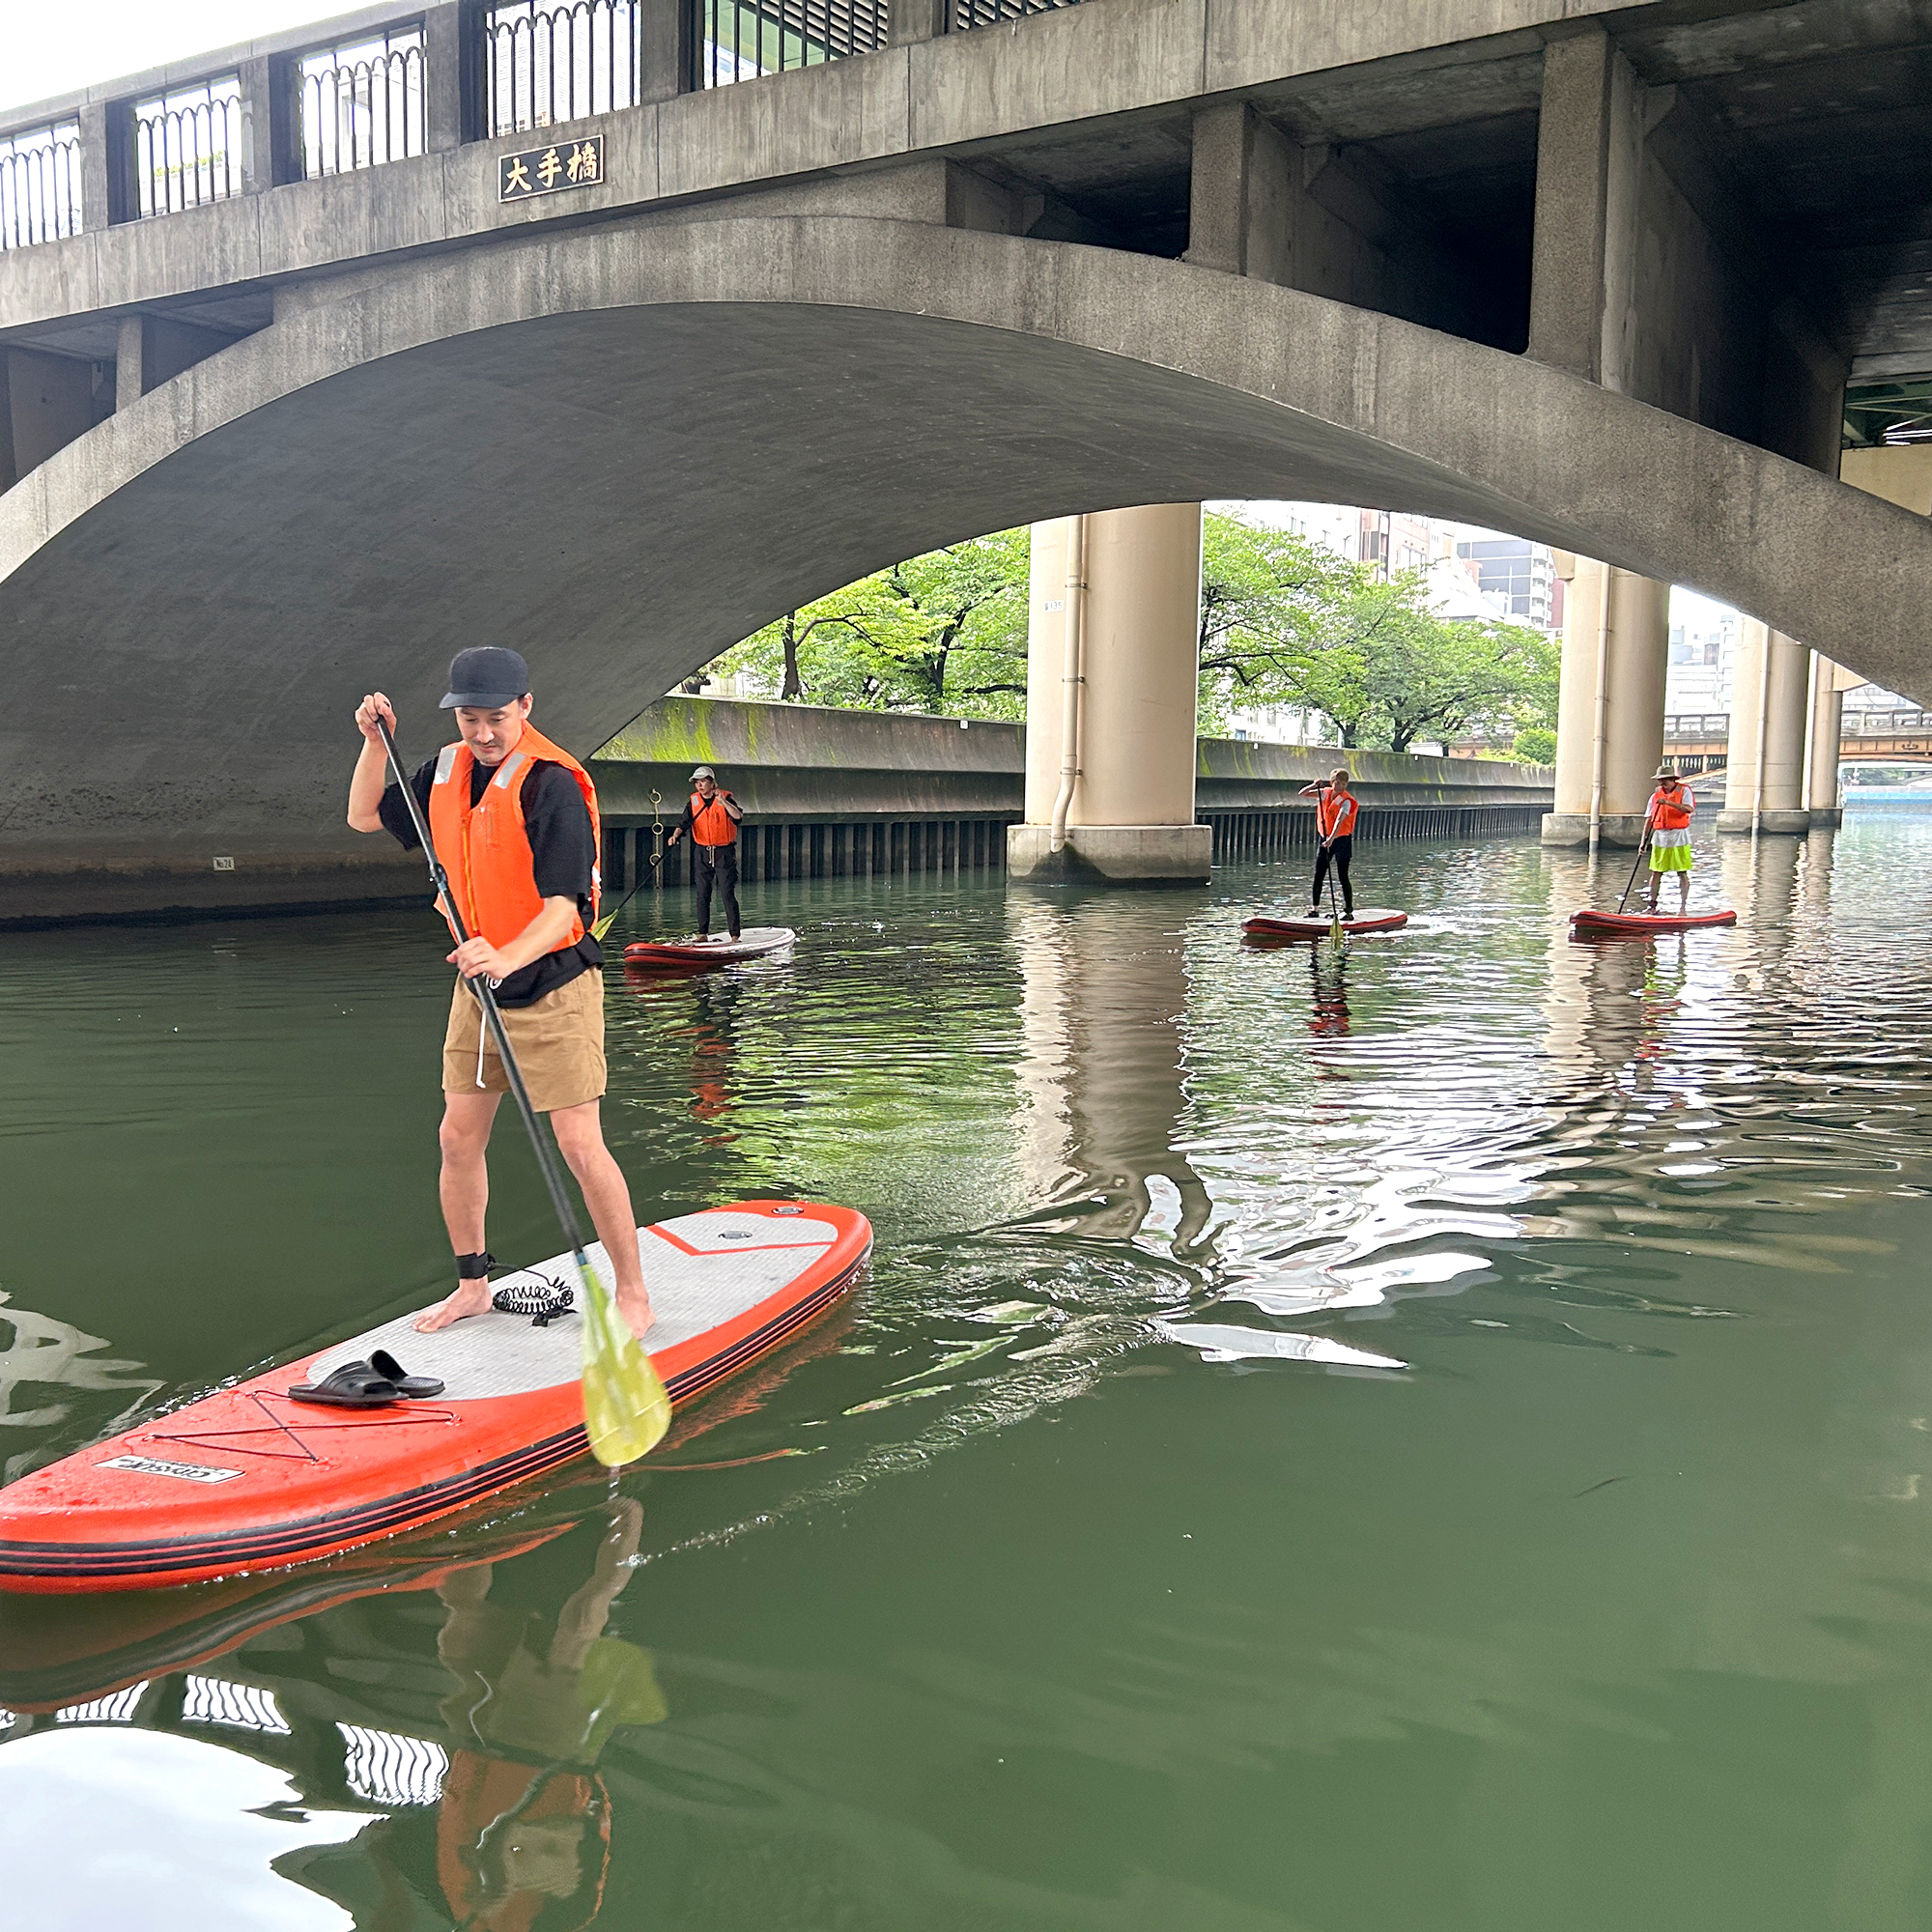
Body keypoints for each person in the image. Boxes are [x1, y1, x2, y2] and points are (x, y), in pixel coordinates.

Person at [346, 647, 654, 1341]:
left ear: (526, 707)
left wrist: (506, 955)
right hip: (479, 987)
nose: (483, 734)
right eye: (470, 719)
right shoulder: (445, 771)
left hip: (555, 981)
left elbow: (563, 911)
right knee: (457, 1138)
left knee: (579, 1144)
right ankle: (472, 1287)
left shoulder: (553, 786)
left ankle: (632, 1294)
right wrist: (373, 744)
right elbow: (365, 815)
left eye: (496, 718)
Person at [665, 763, 745, 942]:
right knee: (702, 893)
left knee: (726, 893)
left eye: (702, 782)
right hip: (702, 853)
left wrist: (722, 802)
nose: (699, 786)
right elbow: (683, 823)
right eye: (697, 783)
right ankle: (702, 933)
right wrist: (674, 836)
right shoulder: (693, 802)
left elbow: (738, 817)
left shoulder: (726, 798)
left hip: (723, 852)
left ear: (712, 783)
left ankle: (734, 935)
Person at [1299, 768, 1358, 919]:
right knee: (1319, 873)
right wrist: (1314, 785)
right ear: (1332, 782)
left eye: (1344, 784)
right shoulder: (1324, 792)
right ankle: (1315, 910)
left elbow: (1340, 819)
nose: (1340, 787)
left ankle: (1348, 911)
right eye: (1338, 783)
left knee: (1342, 875)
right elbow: (1302, 794)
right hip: (1325, 838)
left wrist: (1332, 838)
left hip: (1341, 840)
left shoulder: (1346, 801)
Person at [1645, 766, 1696, 914]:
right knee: (1656, 872)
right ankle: (1652, 906)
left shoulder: (1684, 791)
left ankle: (1683, 908)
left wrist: (1668, 803)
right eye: (1660, 780)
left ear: (1673, 779)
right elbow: (1649, 819)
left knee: (1681, 872)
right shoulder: (1655, 796)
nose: (1662, 783)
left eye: (1665, 780)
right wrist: (1643, 842)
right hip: (1660, 837)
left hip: (1679, 837)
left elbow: (1688, 809)